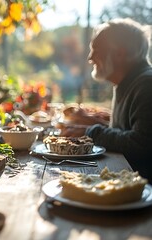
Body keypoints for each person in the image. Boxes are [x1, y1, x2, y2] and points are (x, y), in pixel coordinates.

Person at [61, 18, 152, 182]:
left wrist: (90, 132)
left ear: (119, 53)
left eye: (96, 49)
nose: (90, 57)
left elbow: (142, 143)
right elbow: (125, 132)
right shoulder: (126, 83)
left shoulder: (147, 84)